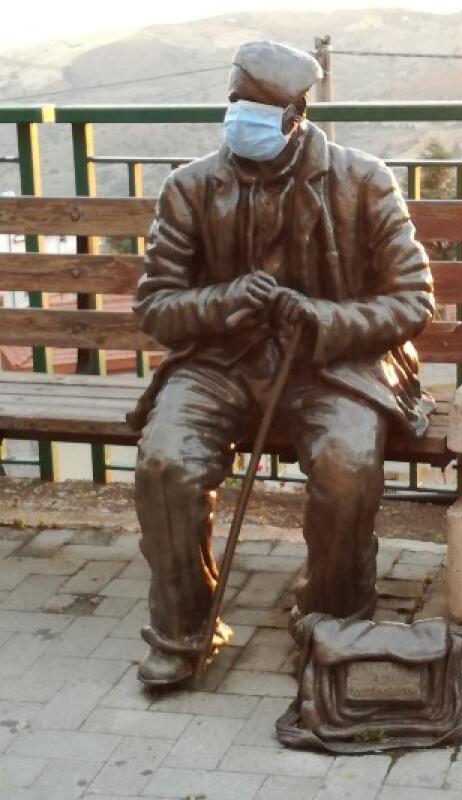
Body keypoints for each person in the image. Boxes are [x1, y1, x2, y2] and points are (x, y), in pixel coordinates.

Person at [128, 39, 434, 688]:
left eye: (258, 110)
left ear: (296, 116)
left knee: (347, 465)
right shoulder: (189, 189)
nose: (241, 118)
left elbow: (412, 300)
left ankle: (333, 623)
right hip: (219, 362)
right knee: (165, 463)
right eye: (236, 103)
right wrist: (224, 301)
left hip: (335, 366)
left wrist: (321, 318)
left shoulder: (363, 180)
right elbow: (156, 306)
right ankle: (183, 631)